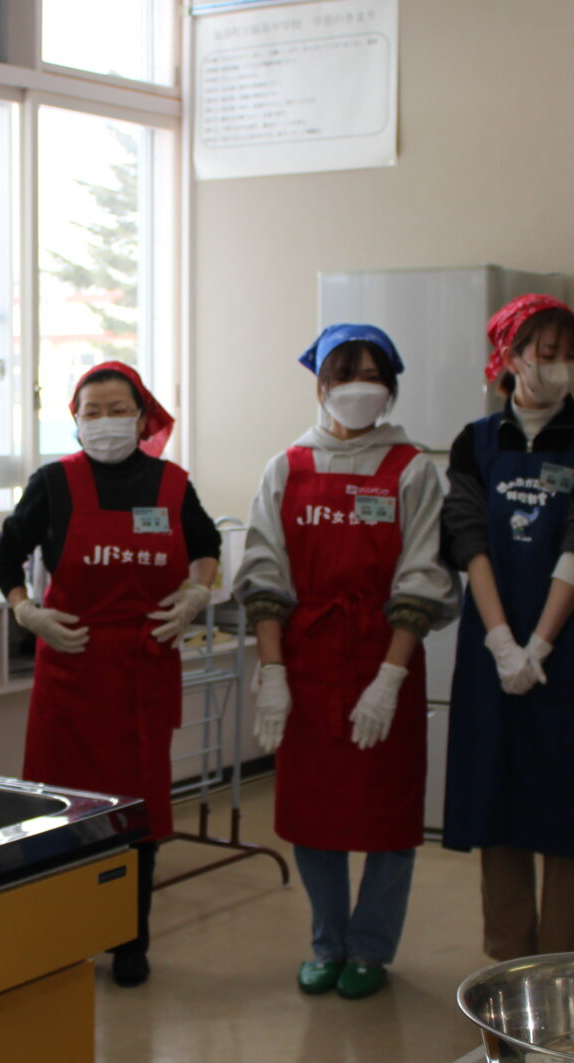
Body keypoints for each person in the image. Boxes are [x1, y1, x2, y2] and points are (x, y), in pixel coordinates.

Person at [239, 324, 458, 1000]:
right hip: (304, 660)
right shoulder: (287, 466)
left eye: (373, 375)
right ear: (321, 385)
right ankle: (326, 941)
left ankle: (371, 947)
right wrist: (273, 673)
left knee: (388, 816)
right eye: (345, 375)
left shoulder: (413, 469)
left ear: (390, 389)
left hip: (381, 655)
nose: (358, 389)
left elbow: (424, 573)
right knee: (314, 812)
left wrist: (390, 679)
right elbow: (263, 574)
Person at [0, 361, 220, 988]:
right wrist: (27, 611)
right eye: (91, 411)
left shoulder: (172, 485)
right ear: (75, 421)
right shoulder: (54, 484)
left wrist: (198, 594)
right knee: (65, 814)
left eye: (118, 409)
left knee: (137, 818)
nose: (105, 422)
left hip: (143, 669)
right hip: (71, 668)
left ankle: (131, 941)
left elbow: (206, 548)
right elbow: (5, 554)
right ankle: (61, 935)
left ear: (143, 418)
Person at [441, 295, 574, 960]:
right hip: (492, 634)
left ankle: (567, 966)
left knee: (568, 798)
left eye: (569, 355)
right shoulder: (476, 440)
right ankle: (508, 964)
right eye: (544, 354)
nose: (558, 367)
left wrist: (541, 643)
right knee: (499, 797)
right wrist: (501, 641)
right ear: (511, 357)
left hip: (570, 637)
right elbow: (468, 537)